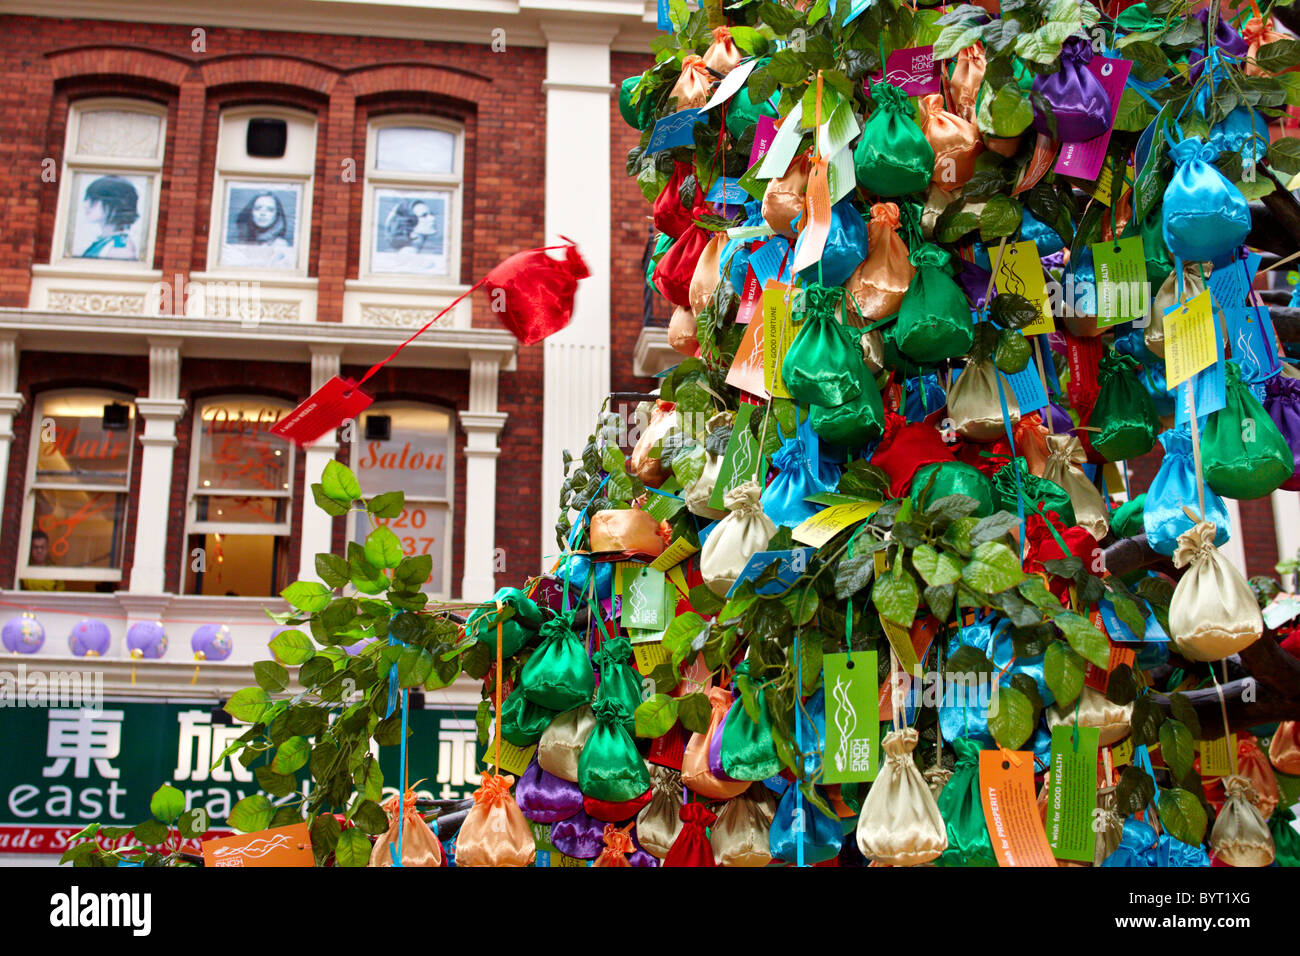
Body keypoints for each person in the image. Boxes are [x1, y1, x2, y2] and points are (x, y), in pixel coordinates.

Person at [222, 191, 293, 268]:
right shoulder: (238, 241)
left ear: (277, 215)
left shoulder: (280, 245)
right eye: (258, 208)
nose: (263, 213)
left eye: (270, 210)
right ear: (251, 212)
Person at [78, 176, 139, 260]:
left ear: (115, 204)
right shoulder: (104, 241)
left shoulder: (120, 248)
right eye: (86, 199)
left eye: (94, 200)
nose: (86, 205)